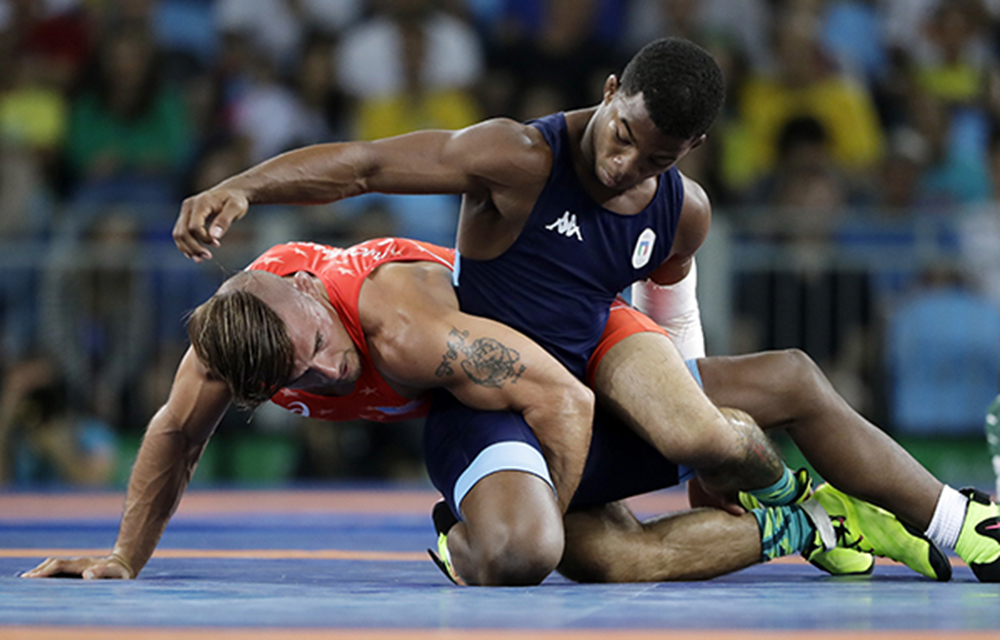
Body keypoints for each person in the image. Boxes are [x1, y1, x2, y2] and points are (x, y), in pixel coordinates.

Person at [169, 37, 998, 584]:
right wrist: (243, 185)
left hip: (599, 376)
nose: (625, 160)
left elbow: (675, 329)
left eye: (656, 155)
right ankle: (808, 520)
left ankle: (964, 520)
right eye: (623, 132)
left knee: (770, 389)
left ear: (690, 151)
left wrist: (704, 446)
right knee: (579, 559)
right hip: (491, 409)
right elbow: (361, 166)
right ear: (610, 92)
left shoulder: (684, 208)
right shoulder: (518, 156)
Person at [21, 237, 944, 583]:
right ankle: (807, 523)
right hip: (480, 409)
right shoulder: (236, 340)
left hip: (574, 357)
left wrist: (555, 498)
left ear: (306, 291)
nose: (335, 374)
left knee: (718, 423)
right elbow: (174, 434)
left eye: (322, 350)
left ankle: (907, 507)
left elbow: (565, 400)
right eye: (309, 382)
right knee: (561, 555)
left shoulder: (401, 326)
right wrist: (124, 558)